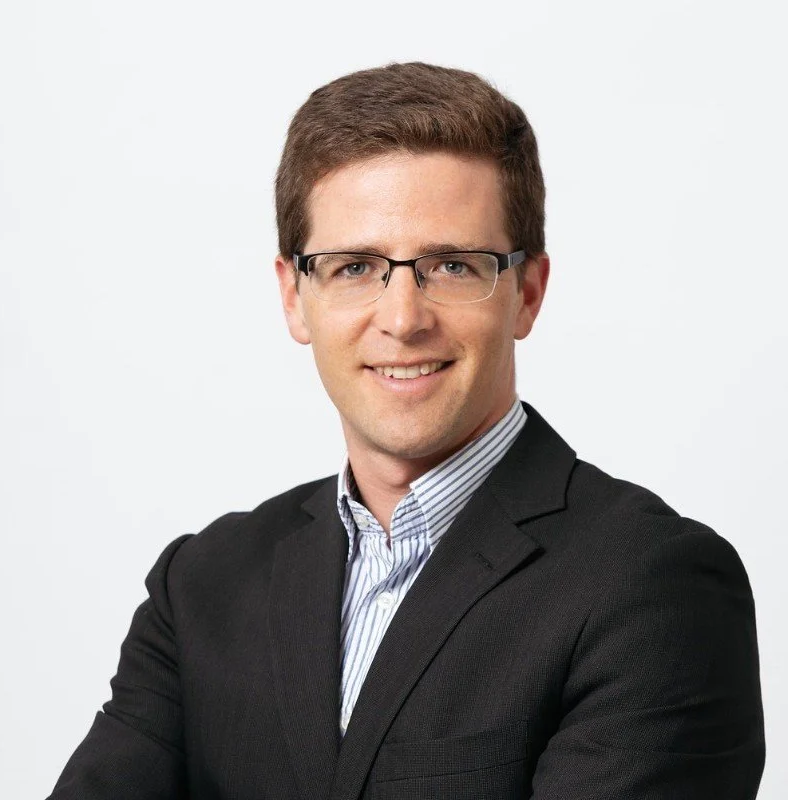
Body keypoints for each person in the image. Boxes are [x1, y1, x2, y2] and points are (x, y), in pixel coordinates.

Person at [48, 62, 765, 799]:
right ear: (295, 297)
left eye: (452, 265)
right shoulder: (202, 588)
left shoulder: (653, 590)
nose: (402, 318)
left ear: (527, 293)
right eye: (355, 266)